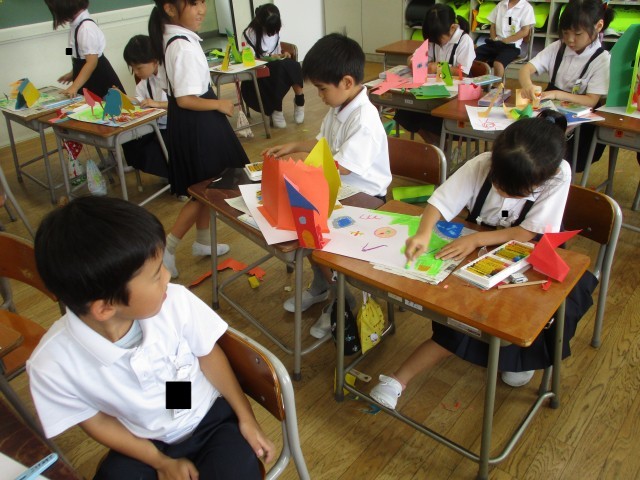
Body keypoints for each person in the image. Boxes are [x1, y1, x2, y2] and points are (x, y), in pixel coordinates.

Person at [28, 196, 274, 479]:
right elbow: (95, 421)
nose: (168, 277)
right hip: (143, 440)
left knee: (234, 469)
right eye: (156, 275)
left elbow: (208, 354)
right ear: (105, 308)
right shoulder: (51, 366)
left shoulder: (175, 302)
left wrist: (246, 417)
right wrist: (160, 462)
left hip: (210, 420)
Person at [369, 115, 597, 409]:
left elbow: (529, 232)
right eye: (500, 185)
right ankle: (398, 380)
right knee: (460, 316)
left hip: (531, 251)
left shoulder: (558, 173)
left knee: (527, 318)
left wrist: (476, 240)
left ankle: (520, 358)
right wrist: (424, 233)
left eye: (517, 192)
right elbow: (441, 202)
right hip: (480, 246)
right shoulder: (482, 163)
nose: (504, 194)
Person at [263, 33, 392, 338]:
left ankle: (341, 300)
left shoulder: (364, 118)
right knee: (302, 225)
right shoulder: (339, 107)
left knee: (312, 232)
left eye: (322, 89)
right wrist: (295, 146)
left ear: (347, 82)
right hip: (340, 189)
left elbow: (341, 165)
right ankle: (323, 285)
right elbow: (323, 144)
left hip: (366, 197)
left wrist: (301, 171)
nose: (319, 95)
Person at [149, 0, 250, 279]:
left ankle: (204, 240)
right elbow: (185, 99)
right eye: (193, 4)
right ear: (170, 8)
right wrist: (220, 104)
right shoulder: (181, 45)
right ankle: (167, 249)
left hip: (190, 122)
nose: (202, 9)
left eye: (203, 2)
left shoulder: (172, 38)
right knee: (204, 188)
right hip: (197, 122)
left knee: (207, 183)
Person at [519, 0, 614, 172]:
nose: (570, 39)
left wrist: (557, 94)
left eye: (577, 34)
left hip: (581, 125)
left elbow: (591, 100)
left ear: (598, 26)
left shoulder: (602, 59)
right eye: (565, 32)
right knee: (525, 145)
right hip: (550, 114)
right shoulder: (558, 47)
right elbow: (526, 69)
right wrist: (528, 85)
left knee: (553, 158)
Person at [394, 4, 476, 144]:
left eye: (438, 40)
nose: (435, 43)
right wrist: (412, 61)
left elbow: (463, 72)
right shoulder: (434, 38)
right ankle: (436, 146)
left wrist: (437, 68)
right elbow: (416, 56)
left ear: (452, 28)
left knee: (432, 119)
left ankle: (440, 147)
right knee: (405, 113)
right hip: (434, 92)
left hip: (454, 97)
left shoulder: (464, 41)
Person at [241, 4, 305, 128]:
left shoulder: (274, 30)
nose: (273, 33)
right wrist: (269, 58)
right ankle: (276, 109)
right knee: (280, 69)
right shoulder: (249, 34)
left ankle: (299, 101)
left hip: (276, 68)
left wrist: (283, 54)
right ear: (261, 24)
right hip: (258, 74)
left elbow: (277, 52)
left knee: (294, 65)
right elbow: (249, 61)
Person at [45, 0, 125, 98]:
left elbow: (91, 63)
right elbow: (75, 53)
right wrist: (73, 72)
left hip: (97, 78)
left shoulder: (86, 28)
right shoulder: (75, 25)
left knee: (103, 104)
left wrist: (74, 86)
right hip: (87, 75)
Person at [121, 34, 169, 178]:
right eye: (132, 68)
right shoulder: (145, 82)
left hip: (174, 127)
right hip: (157, 127)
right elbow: (140, 101)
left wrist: (157, 104)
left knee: (153, 149)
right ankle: (167, 173)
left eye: (139, 68)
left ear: (154, 61)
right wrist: (126, 99)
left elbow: (182, 102)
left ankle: (173, 175)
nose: (136, 72)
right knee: (130, 143)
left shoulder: (169, 74)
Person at [474, 0, 536, 78]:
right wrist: (494, 38)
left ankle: (497, 85)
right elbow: (493, 25)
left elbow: (525, 31)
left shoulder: (527, 7)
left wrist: (507, 40)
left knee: (498, 63)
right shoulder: (501, 4)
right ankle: (475, 82)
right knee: (473, 55)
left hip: (511, 46)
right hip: (495, 43)